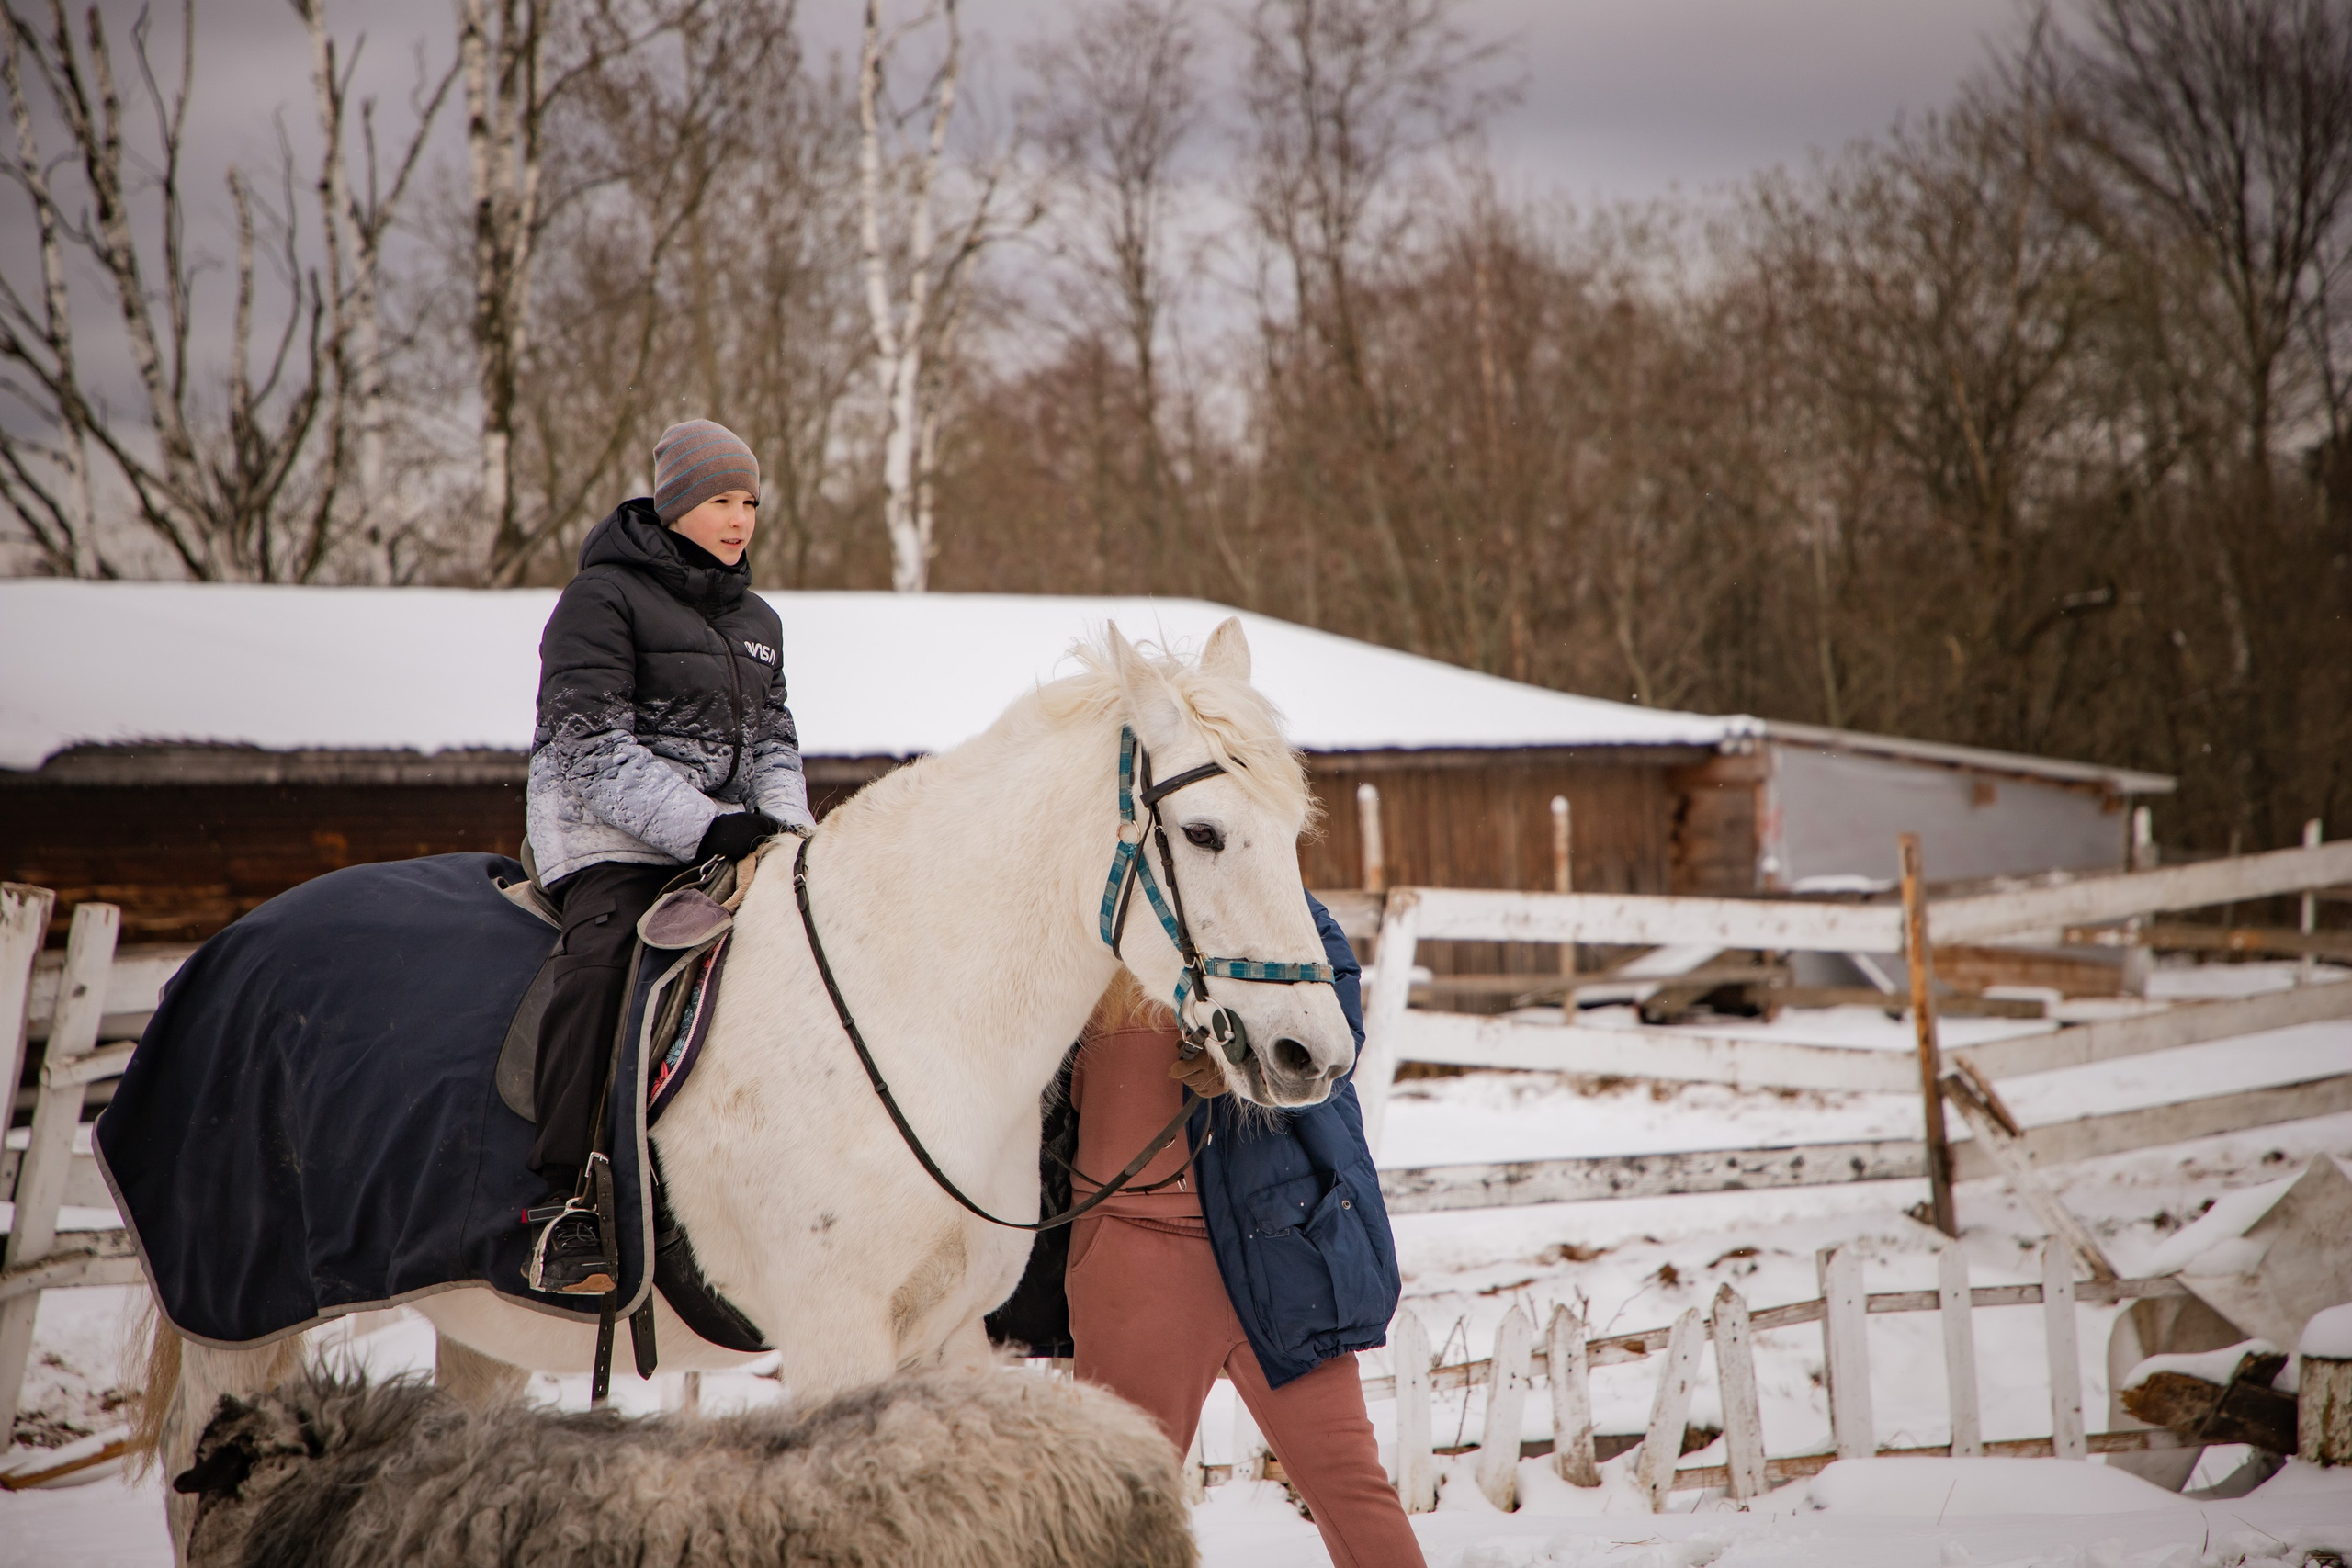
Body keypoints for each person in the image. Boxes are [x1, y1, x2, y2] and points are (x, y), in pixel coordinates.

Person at [1002, 895, 1428, 1568]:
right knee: (1118, 1511)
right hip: (1130, 1256)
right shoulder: (1083, 919)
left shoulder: (1275, 904)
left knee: (1349, 1482)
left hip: (1279, 1244)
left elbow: (1336, 1028)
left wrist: (1244, 1059)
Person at [521, 419, 815, 1293]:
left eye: (750, 501)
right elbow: (589, 747)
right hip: (610, 841)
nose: (740, 519)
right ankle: (569, 1197)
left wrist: (787, 832)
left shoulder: (758, 620)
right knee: (608, 962)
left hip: (727, 844)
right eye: (722, 500)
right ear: (676, 504)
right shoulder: (600, 600)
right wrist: (706, 826)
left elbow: (776, 743)